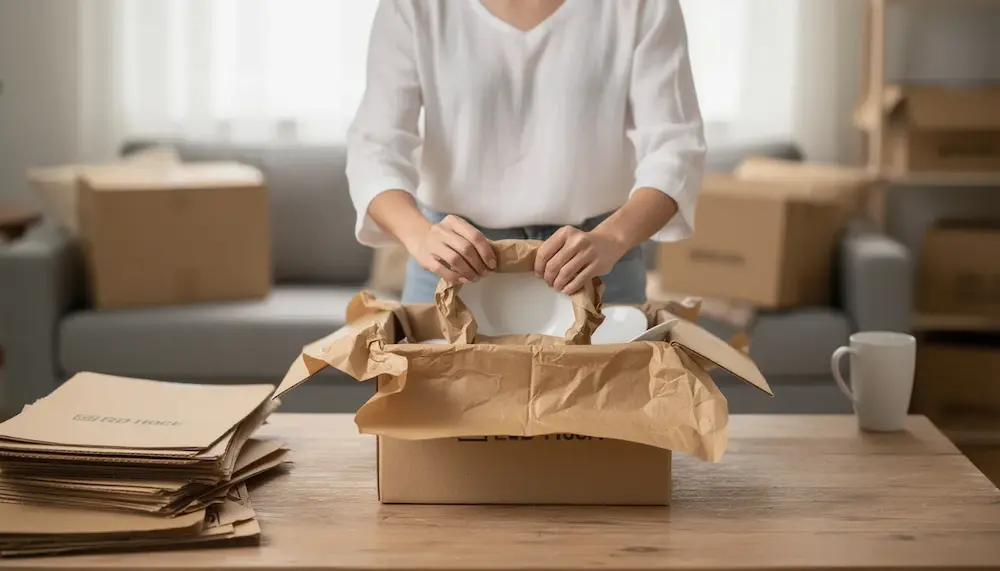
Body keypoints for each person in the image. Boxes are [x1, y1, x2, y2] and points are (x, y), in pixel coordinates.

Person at [347, 0, 706, 305]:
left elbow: (675, 147)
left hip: (596, 263)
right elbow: (376, 146)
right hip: (455, 264)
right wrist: (420, 235)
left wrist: (613, 238)